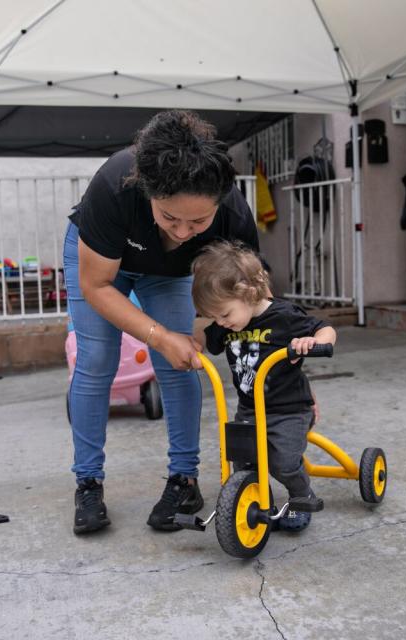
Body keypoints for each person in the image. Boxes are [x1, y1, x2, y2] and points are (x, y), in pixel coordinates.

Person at [64, 110, 259, 534]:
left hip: (167, 271)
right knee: (96, 358)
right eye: (171, 218)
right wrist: (157, 334)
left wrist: (294, 375)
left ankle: (184, 480)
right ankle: (88, 482)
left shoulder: (233, 215)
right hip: (102, 261)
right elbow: (97, 286)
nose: (184, 231)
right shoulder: (114, 186)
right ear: (147, 191)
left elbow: (260, 306)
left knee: (180, 360)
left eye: (198, 221)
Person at [191, 241, 336, 532]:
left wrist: (314, 343)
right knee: (244, 461)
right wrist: (192, 347)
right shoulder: (226, 324)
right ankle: (258, 500)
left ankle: (300, 497)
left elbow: (325, 329)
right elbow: (205, 337)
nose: (221, 322)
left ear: (247, 293)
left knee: (283, 463)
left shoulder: (284, 317)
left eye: (225, 314)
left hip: (290, 410)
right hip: (250, 409)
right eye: (215, 317)